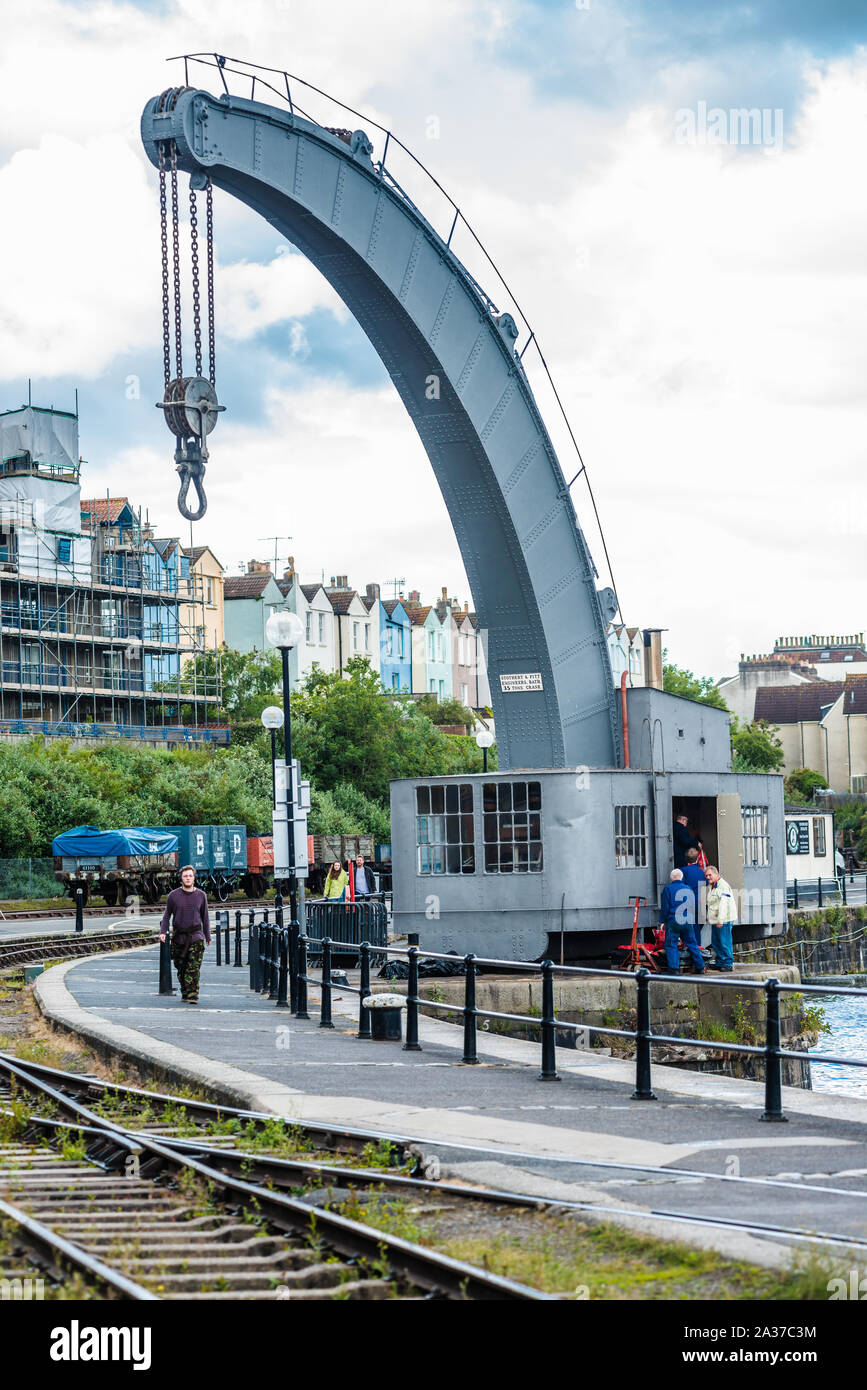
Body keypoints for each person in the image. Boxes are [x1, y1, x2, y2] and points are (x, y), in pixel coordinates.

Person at [160, 864, 210, 1004]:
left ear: (194, 878)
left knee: (193, 968)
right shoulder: (173, 896)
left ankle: (193, 994)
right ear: (181, 879)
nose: (188, 878)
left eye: (190, 876)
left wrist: (208, 936)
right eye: (185, 876)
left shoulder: (201, 895)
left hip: (196, 937)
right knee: (181, 968)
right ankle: (185, 991)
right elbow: (166, 916)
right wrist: (163, 932)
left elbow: (205, 917)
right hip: (179, 937)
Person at [659, 869, 705, 974]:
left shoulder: (668, 889)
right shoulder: (688, 888)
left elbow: (665, 907)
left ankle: (674, 969)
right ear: (681, 877)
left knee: (671, 944)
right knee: (692, 943)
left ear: (671, 878)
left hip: (674, 920)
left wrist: (662, 921)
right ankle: (700, 967)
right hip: (687, 920)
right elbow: (693, 906)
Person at [705, 865, 737, 972]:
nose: (708, 877)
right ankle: (720, 962)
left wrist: (720, 920)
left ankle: (727, 963)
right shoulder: (712, 886)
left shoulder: (723, 886)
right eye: (706, 875)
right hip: (715, 919)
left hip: (724, 919)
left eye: (710, 875)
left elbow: (724, 905)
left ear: (716, 874)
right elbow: (712, 903)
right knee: (716, 942)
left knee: (724, 941)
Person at [682, 848, 708, 931]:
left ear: (686, 859)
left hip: (688, 905)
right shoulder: (702, 872)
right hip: (701, 905)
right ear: (697, 859)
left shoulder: (683, 871)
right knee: (697, 933)